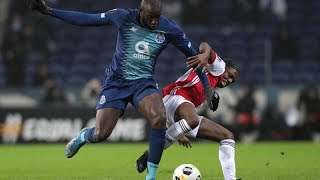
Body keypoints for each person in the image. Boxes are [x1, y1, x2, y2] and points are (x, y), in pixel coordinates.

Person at [30, 0, 215, 179]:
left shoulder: (169, 28)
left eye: (157, 17)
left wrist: (207, 88)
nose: (154, 22)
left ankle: (151, 177)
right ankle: (82, 137)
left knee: (158, 119)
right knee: (101, 134)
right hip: (116, 84)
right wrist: (50, 11)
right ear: (141, 12)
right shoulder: (122, 17)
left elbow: (195, 58)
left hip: (143, 83)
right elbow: (86, 19)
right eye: (151, 17)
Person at [136, 42, 240, 180]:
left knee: (227, 136)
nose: (230, 80)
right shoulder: (219, 67)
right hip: (174, 96)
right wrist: (204, 55)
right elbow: (205, 45)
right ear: (224, 67)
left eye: (233, 80)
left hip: (181, 108)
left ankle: (230, 179)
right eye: (230, 75)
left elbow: (181, 116)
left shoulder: (211, 84)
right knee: (192, 120)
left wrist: (179, 132)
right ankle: (150, 155)